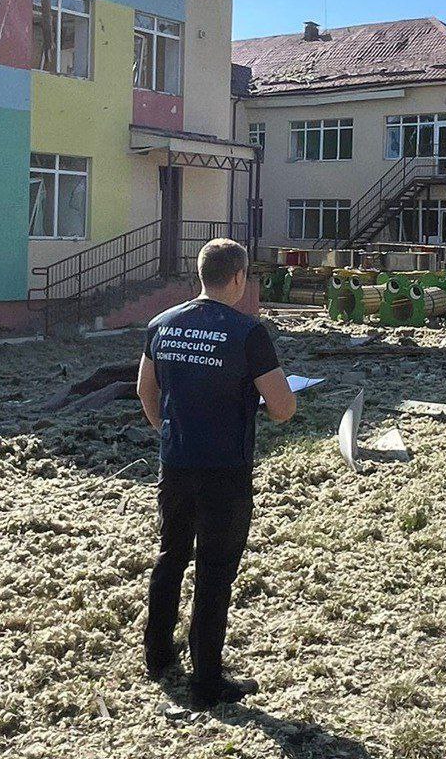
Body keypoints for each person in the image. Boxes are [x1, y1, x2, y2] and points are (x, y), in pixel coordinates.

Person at [137, 237, 296, 709]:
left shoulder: (162, 324)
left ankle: (158, 655)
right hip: (225, 471)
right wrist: (273, 406)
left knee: (171, 555)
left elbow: (145, 391)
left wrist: (169, 431)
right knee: (214, 570)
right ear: (239, 277)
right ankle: (207, 680)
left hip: (176, 463)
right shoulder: (248, 333)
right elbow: (283, 407)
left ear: (201, 274)